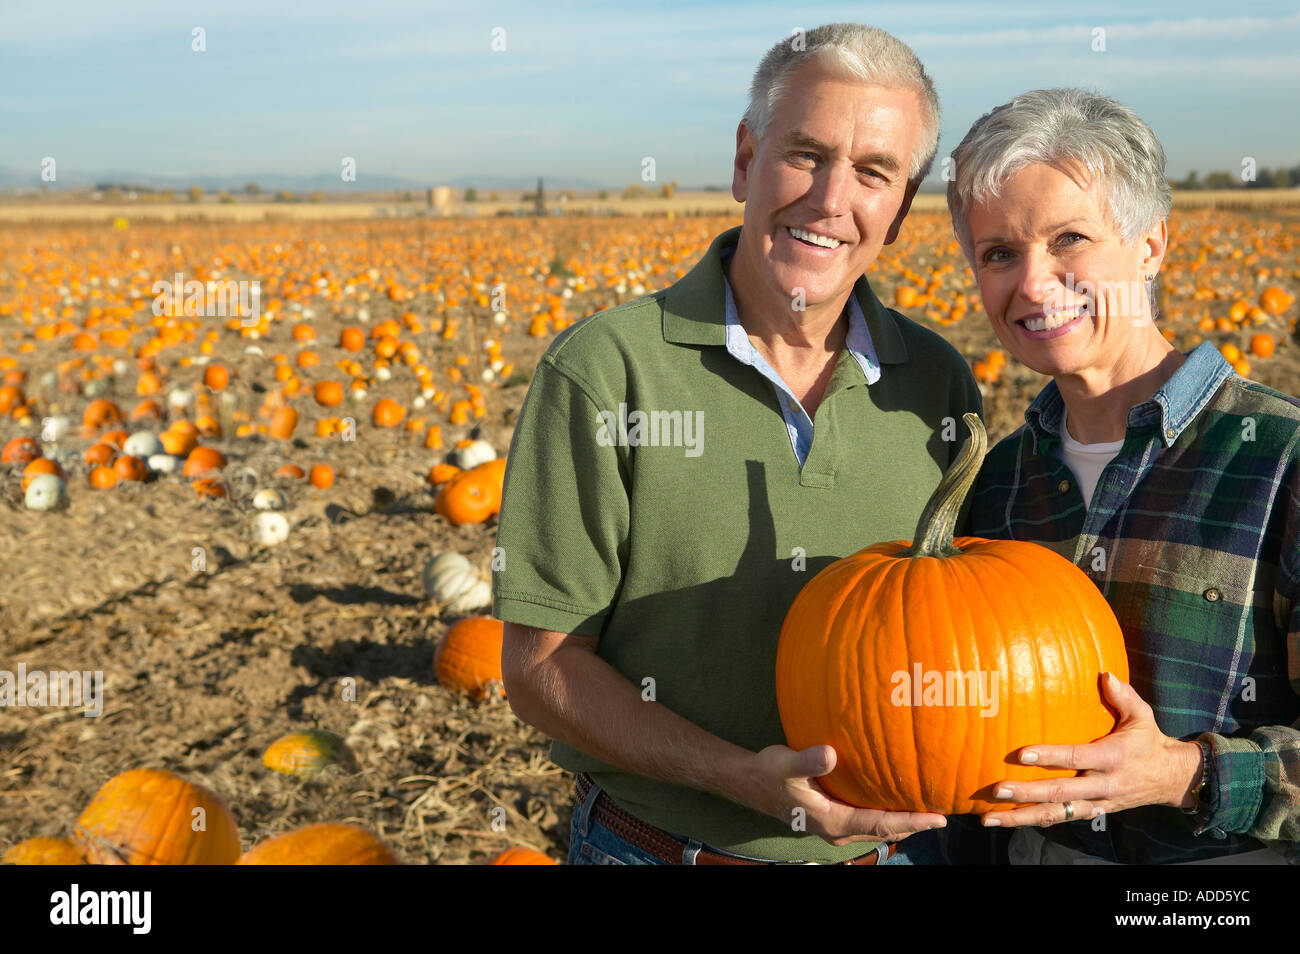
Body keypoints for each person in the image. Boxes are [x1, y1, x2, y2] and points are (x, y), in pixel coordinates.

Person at [492, 23, 982, 865]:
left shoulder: (936, 384)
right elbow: (541, 668)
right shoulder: (605, 373)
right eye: (805, 154)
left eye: (873, 173)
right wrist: (736, 774)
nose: (831, 200)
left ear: (900, 209)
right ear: (745, 160)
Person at [946, 87, 1299, 864]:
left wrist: (1186, 773)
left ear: (1149, 246)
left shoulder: (1280, 460)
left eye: (1070, 238)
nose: (1034, 285)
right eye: (1000, 253)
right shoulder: (999, 481)